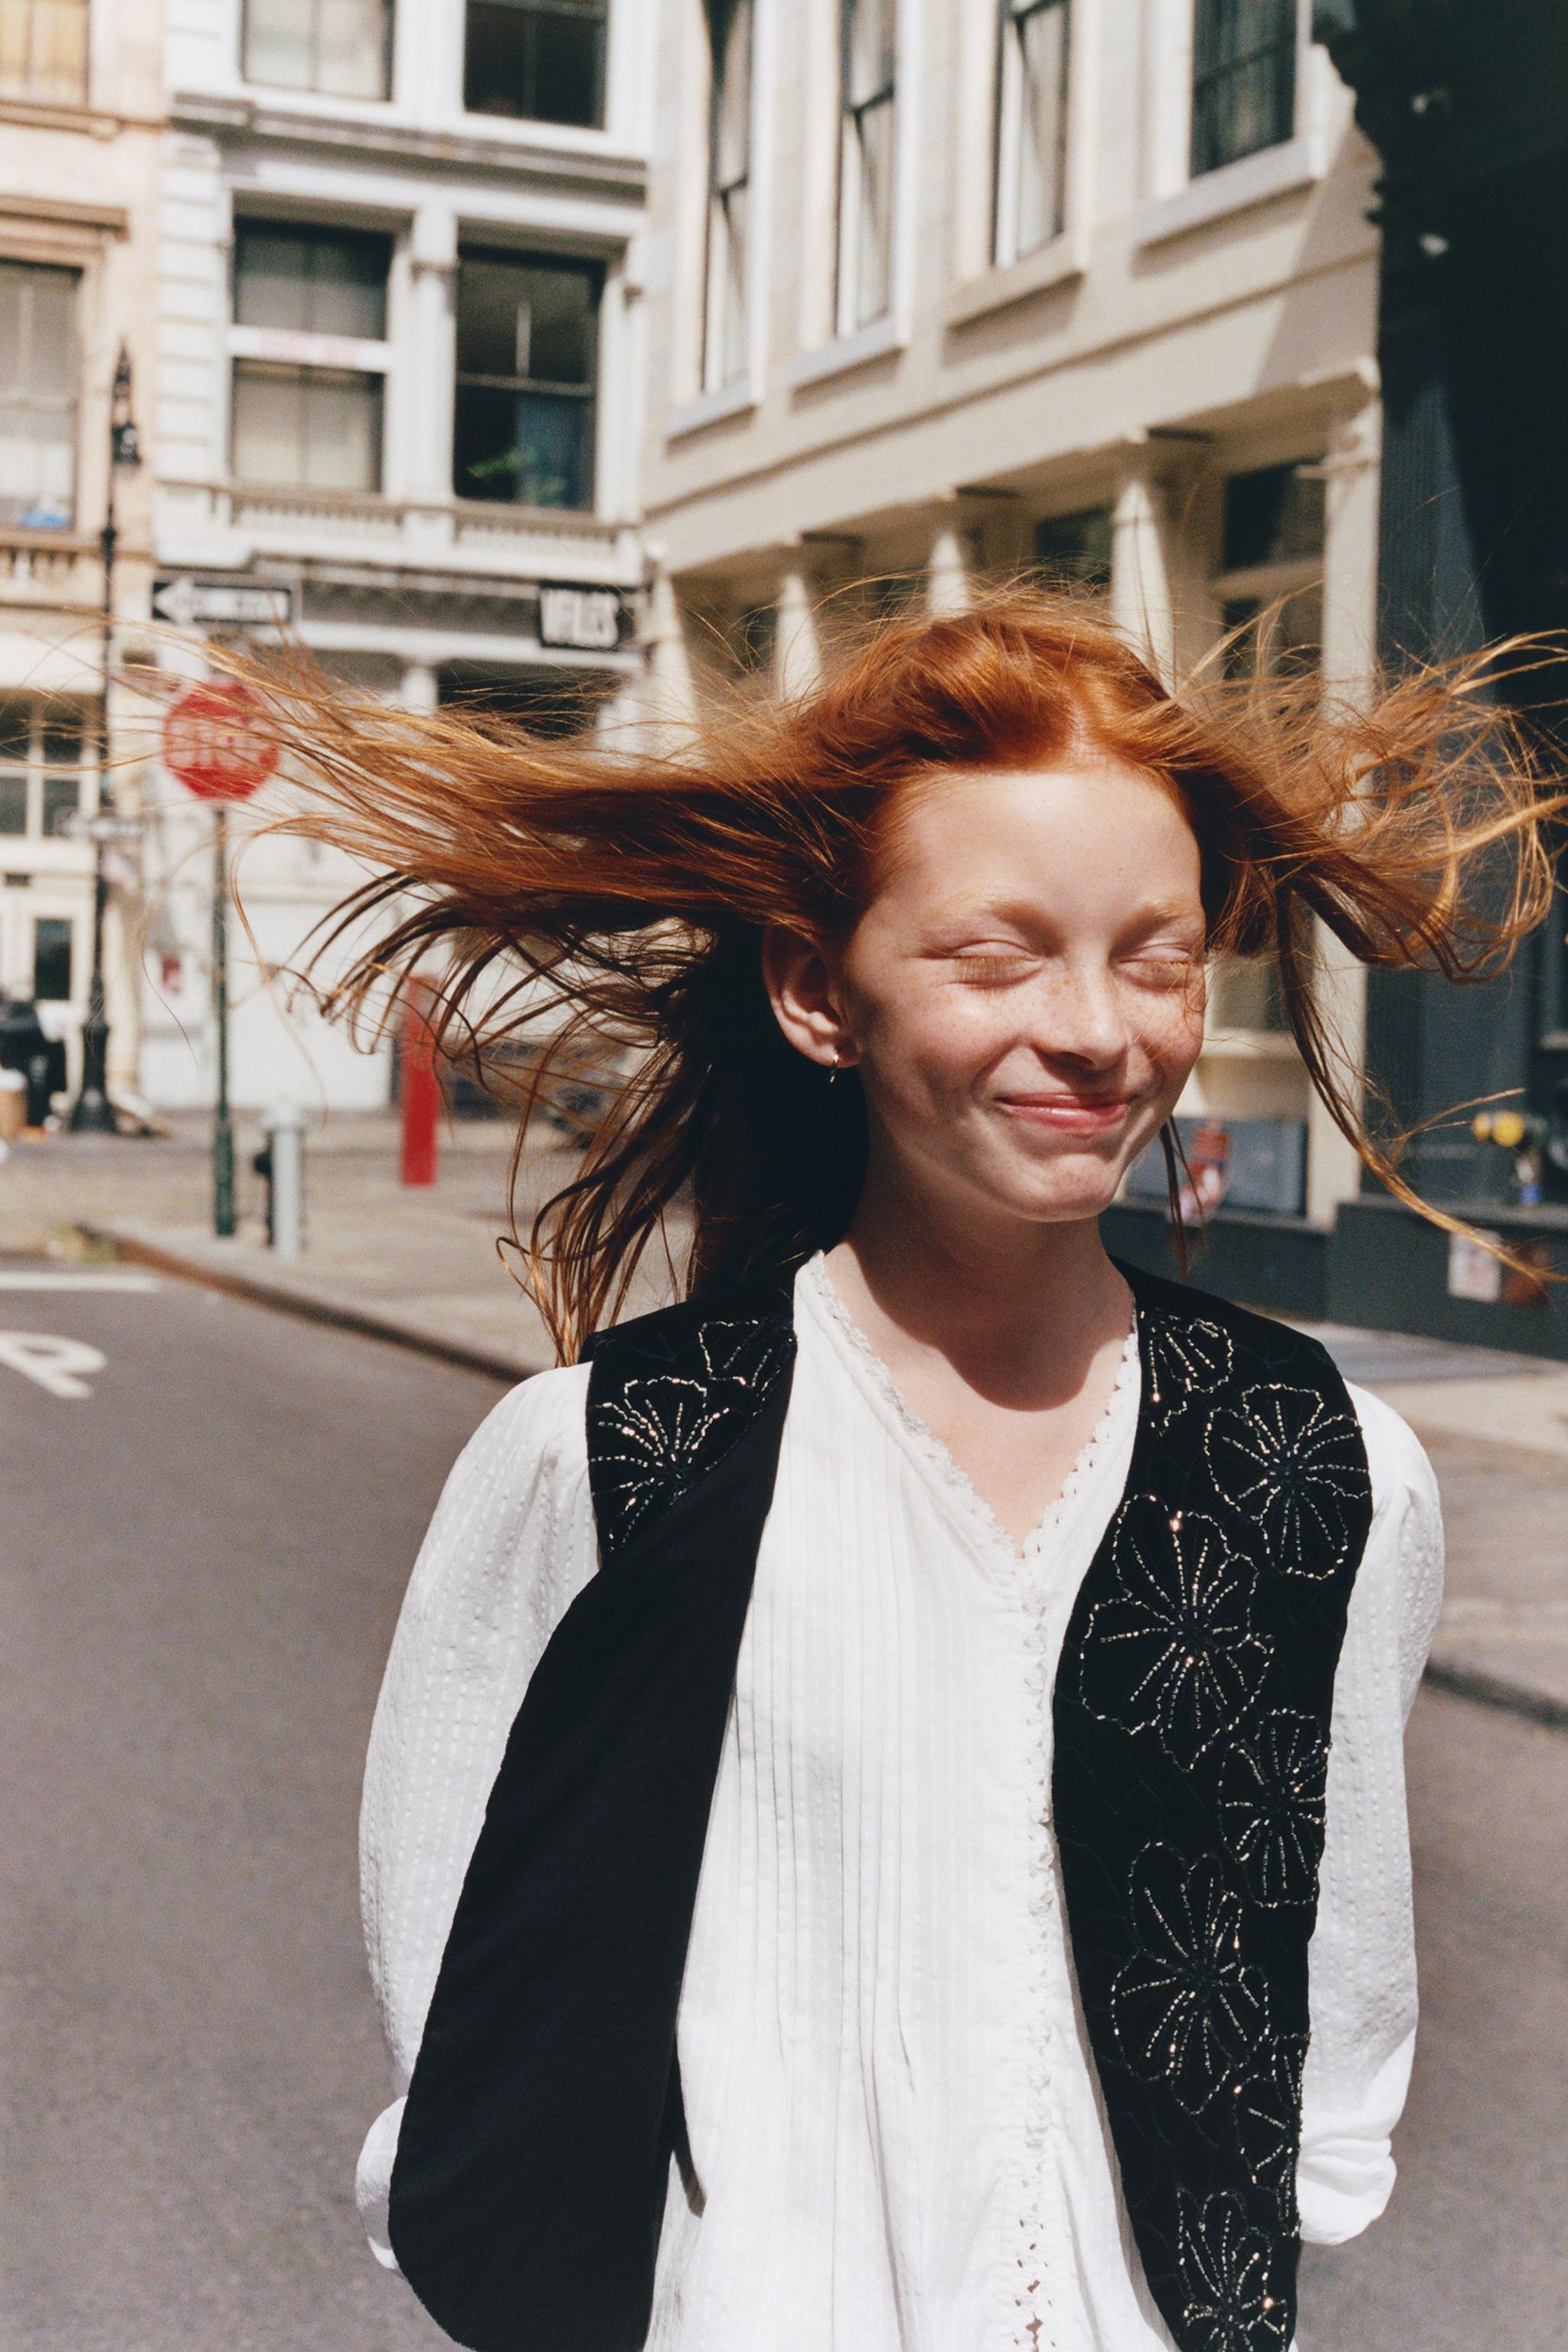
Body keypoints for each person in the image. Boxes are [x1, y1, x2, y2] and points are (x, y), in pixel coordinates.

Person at [265, 600, 1557, 2352]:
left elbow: (1334, 2003)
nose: (1096, 1030)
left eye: (1156, 956)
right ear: (819, 990)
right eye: (996, 954)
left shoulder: (1323, 1468)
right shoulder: (604, 1464)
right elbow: (476, 2015)